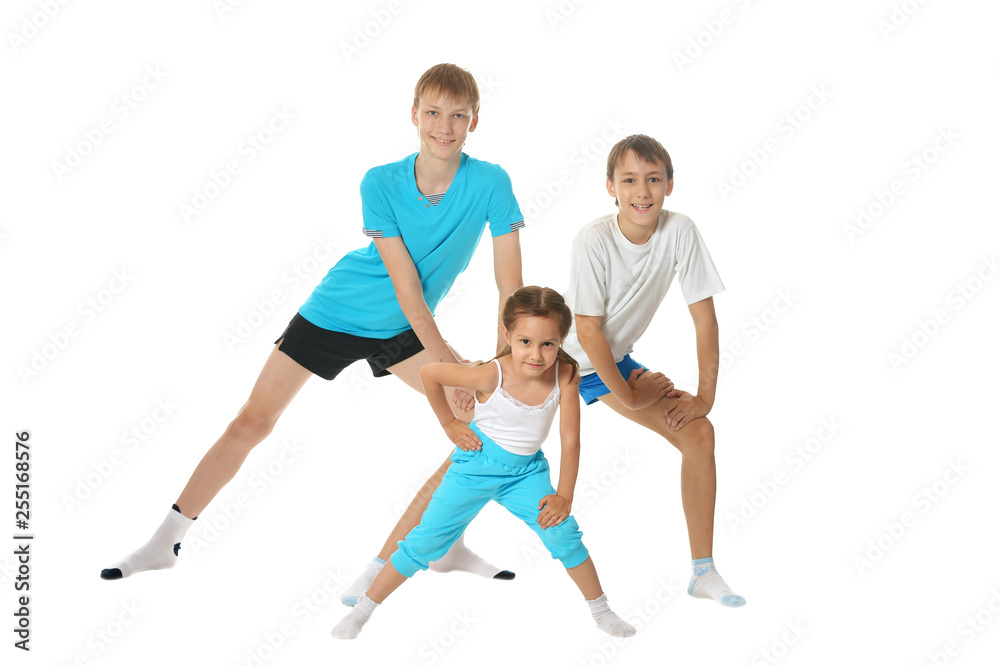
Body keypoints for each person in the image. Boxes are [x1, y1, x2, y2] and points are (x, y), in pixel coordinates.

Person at [100, 63, 523, 584]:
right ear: (414, 115)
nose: (444, 125)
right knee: (252, 421)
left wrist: (496, 368)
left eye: (458, 115)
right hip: (340, 311)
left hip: (404, 331)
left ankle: (443, 543)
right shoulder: (380, 182)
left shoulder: (492, 183)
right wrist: (452, 364)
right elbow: (409, 291)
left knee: (490, 418)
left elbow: (511, 289)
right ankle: (165, 541)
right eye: (433, 112)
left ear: (474, 121)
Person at [331, 287, 636, 639]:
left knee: (564, 534)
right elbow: (431, 374)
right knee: (424, 542)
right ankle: (364, 609)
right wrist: (449, 423)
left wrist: (563, 496)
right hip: (475, 465)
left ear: (561, 340)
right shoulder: (492, 374)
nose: (535, 354)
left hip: (526, 473)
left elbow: (571, 440)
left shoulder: (565, 375)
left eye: (547, 344)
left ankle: (602, 611)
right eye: (525, 341)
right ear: (507, 335)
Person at [562, 134, 745, 607]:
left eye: (652, 180)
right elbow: (586, 329)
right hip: (555, 361)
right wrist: (630, 393)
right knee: (491, 445)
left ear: (669, 185)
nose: (641, 191)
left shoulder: (680, 230)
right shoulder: (593, 238)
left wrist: (704, 397)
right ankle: (434, 541)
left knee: (699, 433)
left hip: (609, 362)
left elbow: (704, 318)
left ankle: (703, 572)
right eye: (629, 180)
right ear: (610, 187)